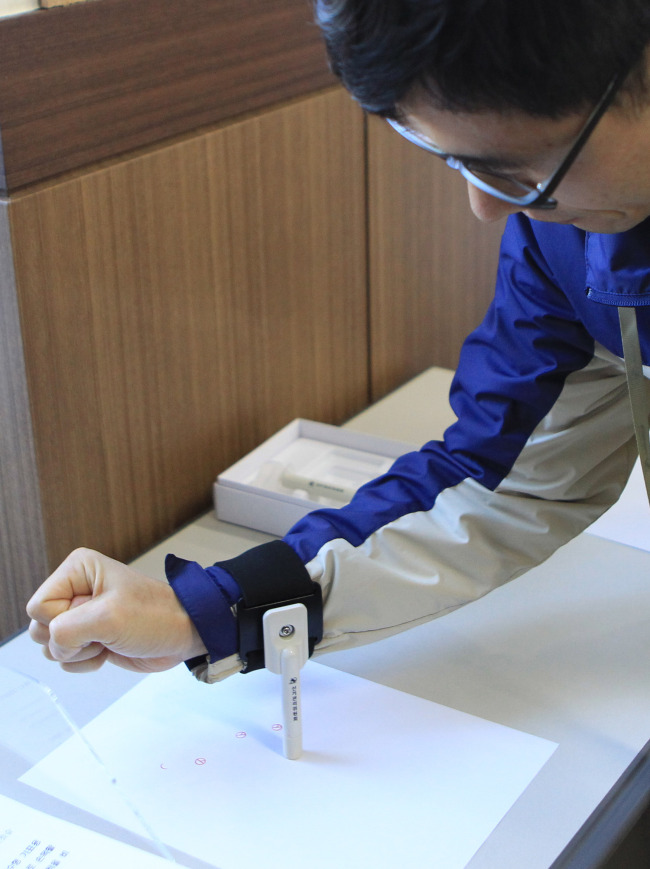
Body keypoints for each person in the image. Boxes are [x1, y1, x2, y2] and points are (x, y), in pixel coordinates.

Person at [27, 0, 650, 683]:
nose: (488, 208)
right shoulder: (576, 236)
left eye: (519, 169)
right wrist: (205, 608)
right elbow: (501, 481)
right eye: (456, 163)